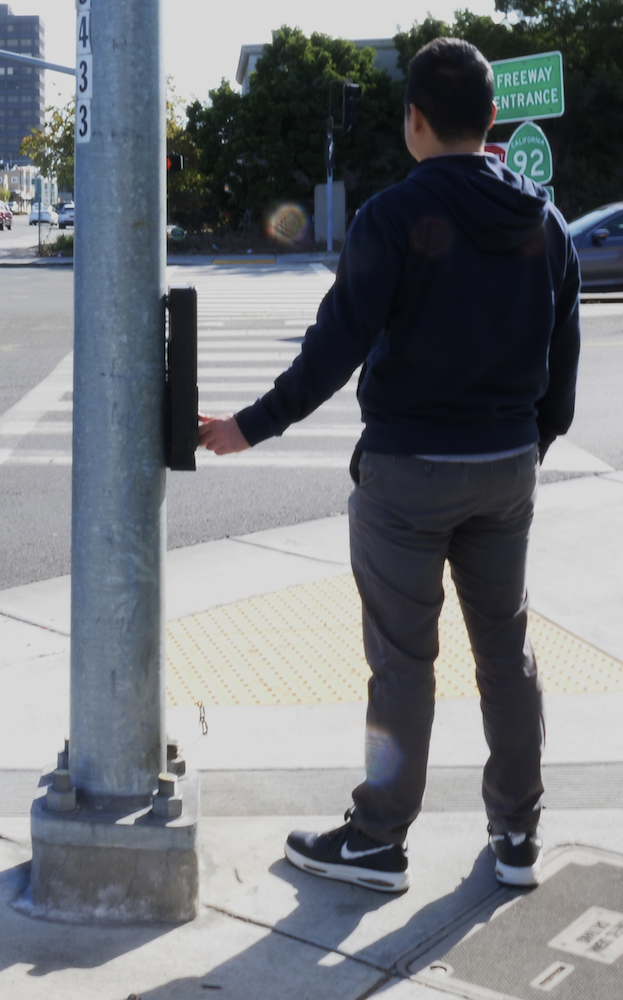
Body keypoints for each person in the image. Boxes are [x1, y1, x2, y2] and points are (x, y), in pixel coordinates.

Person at [198, 37, 581, 893]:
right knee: (506, 652)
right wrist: (527, 448)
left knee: (404, 662)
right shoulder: (546, 222)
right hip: (507, 466)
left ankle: (379, 840)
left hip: (408, 475)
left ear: (414, 120)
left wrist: (247, 428)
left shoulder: (391, 218)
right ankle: (518, 835)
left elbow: (335, 348)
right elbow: (564, 366)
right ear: (490, 121)